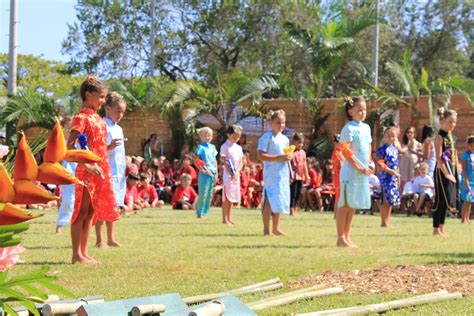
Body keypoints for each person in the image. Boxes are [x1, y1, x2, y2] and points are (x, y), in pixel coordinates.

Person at [67, 75, 118, 264]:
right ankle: (75, 254)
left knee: (90, 213)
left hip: (99, 170)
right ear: (88, 94)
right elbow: (70, 147)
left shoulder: (97, 118)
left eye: (104, 97)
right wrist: (87, 164)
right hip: (86, 172)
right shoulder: (81, 118)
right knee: (80, 212)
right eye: (101, 97)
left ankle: (84, 252)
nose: (103, 101)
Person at [336, 97, 373, 247]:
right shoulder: (348, 128)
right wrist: (358, 167)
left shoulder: (366, 128)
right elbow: (345, 150)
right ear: (350, 111)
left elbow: (368, 147)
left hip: (362, 172)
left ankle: (347, 236)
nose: (362, 112)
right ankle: (340, 237)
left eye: (364, 109)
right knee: (345, 204)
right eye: (359, 109)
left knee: (353, 205)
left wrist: (369, 163)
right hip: (350, 172)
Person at [95, 92, 126, 248]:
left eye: (122, 112)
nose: (120, 115)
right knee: (103, 205)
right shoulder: (102, 125)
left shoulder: (119, 129)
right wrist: (109, 147)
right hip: (105, 170)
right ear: (107, 108)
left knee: (113, 205)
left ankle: (111, 238)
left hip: (118, 172)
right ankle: (99, 239)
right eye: (117, 111)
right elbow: (98, 150)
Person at [257, 110, 292, 236]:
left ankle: (276, 228)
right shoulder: (266, 138)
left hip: (282, 174)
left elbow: (285, 155)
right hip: (271, 174)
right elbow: (260, 155)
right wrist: (278, 157)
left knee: (279, 200)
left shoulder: (285, 139)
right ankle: (266, 229)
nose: (281, 125)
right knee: (269, 200)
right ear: (271, 122)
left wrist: (288, 160)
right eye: (278, 122)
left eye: (283, 123)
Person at [433, 107, 458, 237]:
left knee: (447, 200)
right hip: (441, 172)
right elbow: (439, 157)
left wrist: (456, 167)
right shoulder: (440, 136)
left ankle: (442, 228)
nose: (452, 125)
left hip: (451, 171)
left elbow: (454, 153)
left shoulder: (451, 137)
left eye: (454, 122)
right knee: (440, 200)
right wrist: (446, 173)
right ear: (443, 121)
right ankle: (436, 228)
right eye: (450, 122)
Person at [376, 126, 401, 227]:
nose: (391, 138)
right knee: (385, 199)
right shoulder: (382, 149)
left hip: (393, 177)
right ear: (385, 136)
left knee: (391, 200)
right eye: (389, 136)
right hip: (386, 176)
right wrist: (389, 171)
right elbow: (379, 163)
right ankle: (383, 222)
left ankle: (388, 221)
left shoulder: (395, 149)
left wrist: (398, 177)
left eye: (393, 136)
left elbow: (396, 164)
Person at [56, 117, 77, 234]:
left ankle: (71, 222)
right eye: (68, 127)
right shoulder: (60, 142)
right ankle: (60, 224)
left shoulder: (77, 142)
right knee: (66, 198)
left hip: (77, 171)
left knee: (73, 199)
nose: (70, 129)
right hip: (64, 172)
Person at [220, 125, 244, 224]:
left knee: (232, 197)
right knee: (226, 197)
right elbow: (223, 159)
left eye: (238, 137)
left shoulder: (238, 148)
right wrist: (230, 171)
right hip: (228, 175)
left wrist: (237, 171)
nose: (236, 139)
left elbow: (241, 161)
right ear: (228, 135)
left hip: (236, 176)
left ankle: (229, 217)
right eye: (234, 137)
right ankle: (224, 218)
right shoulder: (225, 146)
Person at [194, 127, 218, 219]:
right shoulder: (201, 147)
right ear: (201, 136)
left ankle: (205, 211)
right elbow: (196, 159)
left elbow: (215, 160)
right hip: (204, 173)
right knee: (203, 193)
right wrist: (202, 169)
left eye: (210, 135)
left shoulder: (213, 147)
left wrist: (216, 173)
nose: (209, 137)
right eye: (207, 135)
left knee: (209, 193)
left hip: (212, 173)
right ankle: (199, 212)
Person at [290, 133, 309, 216]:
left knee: (298, 193)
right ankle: (291, 209)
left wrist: (307, 175)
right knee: (293, 193)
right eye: (299, 143)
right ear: (294, 142)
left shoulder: (303, 153)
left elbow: (304, 164)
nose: (301, 145)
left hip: (301, 176)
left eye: (302, 143)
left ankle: (296, 209)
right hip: (293, 176)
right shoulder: (291, 152)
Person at [460, 135, 474, 224]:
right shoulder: (465, 155)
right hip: (467, 180)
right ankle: (463, 219)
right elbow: (464, 169)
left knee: (470, 200)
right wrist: (466, 180)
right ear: (468, 145)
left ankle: (467, 218)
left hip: (473, 180)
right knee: (466, 200)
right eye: (472, 145)